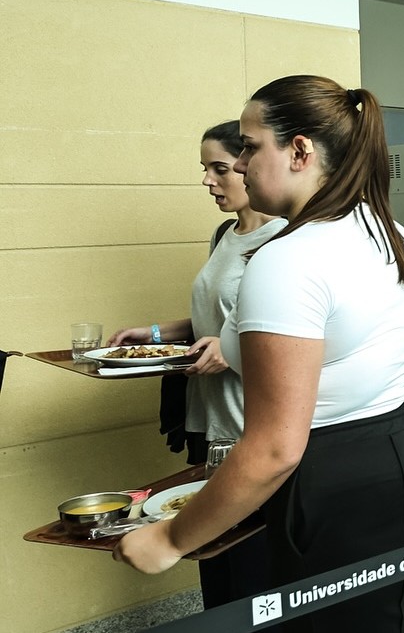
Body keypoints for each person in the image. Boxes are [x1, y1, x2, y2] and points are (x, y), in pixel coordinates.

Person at [115, 76, 404, 633]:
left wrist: (171, 538)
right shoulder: (384, 228)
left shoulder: (291, 258)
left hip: (344, 478)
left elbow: (276, 447)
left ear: (300, 151)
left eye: (250, 147)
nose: (240, 164)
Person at [108, 120, 284, 608]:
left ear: (248, 165)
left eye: (220, 168)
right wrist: (156, 334)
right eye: (205, 168)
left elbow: (286, 335)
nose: (208, 180)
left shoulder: (283, 241)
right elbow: (218, 317)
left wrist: (233, 350)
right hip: (212, 426)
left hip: (252, 427)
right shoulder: (225, 234)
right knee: (215, 565)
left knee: (253, 574)